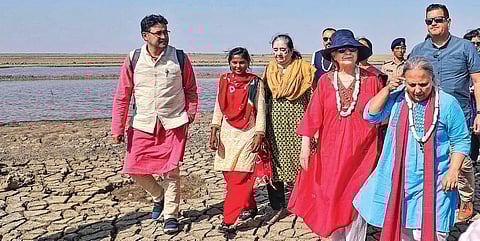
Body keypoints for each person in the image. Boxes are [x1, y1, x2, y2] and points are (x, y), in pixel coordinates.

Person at [354, 56, 471, 241]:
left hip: (436, 182)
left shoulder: (447, 103)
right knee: (402, 232)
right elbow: (371, 115)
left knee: (435, 232)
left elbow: (461, 140)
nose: (417, 90)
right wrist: (387, 88)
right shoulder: (397, 99)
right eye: (412, 84)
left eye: (423, 84)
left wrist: (453, 171)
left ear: (432, 79)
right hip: (400, 181)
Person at [288, 29, 383, 241]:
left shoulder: (372, 80)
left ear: (359, 53)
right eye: (341, 50)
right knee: (331, 195)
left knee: (356, 197)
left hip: (363, 151)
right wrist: (305, 147)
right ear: (333, 55)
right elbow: (313, 115)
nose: (347, 53)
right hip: (329, 152)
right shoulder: (324, 82)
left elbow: (382, 114)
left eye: (352, 49)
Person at [111, 14, 198, 234]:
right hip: (143, 122)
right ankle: (158, 196)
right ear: (145, 35)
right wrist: (117, 127)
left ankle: (171, 215)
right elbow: (123, 94)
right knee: (133, 167)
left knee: (171, 171)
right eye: (158, 32)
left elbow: (190, 89)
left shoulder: (179, 57)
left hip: (174, 122)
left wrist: (190, 113)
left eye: (166, 32)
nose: (163, 36)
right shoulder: (133, 58)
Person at [409, 3, 480, 222]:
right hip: (427, 116)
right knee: (430, 158)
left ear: (449, 22)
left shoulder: (465, 48)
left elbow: (477, 80)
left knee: (464, 160)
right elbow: (409, 81)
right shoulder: (419, 50)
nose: (433, 24)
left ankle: (466, 200)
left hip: (460, 114)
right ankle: (432, 198)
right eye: (429, 21)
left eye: (438, 20)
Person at [209, 47, 266, 233]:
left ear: (248, 63)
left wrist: (260, 133)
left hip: (248, 133)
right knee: (229, 174)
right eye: (234, 62)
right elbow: (219, 106)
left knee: (240, 177)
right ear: (229, 63)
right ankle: (249, 206)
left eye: (242, 62)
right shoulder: (224, 80)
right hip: (227, 133)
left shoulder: (255, 83)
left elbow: (260, 108)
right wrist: (214, 129)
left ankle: (228, 219)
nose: (238, 66)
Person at [263, 34, 314, 224]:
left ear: (291, 50)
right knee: (274, 167)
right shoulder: (269, 69)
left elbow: (312, 98)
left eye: (283, 49)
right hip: (274, 125)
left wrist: (313, 127)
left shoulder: (304, 69)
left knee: (300, 163)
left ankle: (301, 203)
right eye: (275, 49)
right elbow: (265, 98)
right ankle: (278, 206)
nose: (279, 53)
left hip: (298, 123)